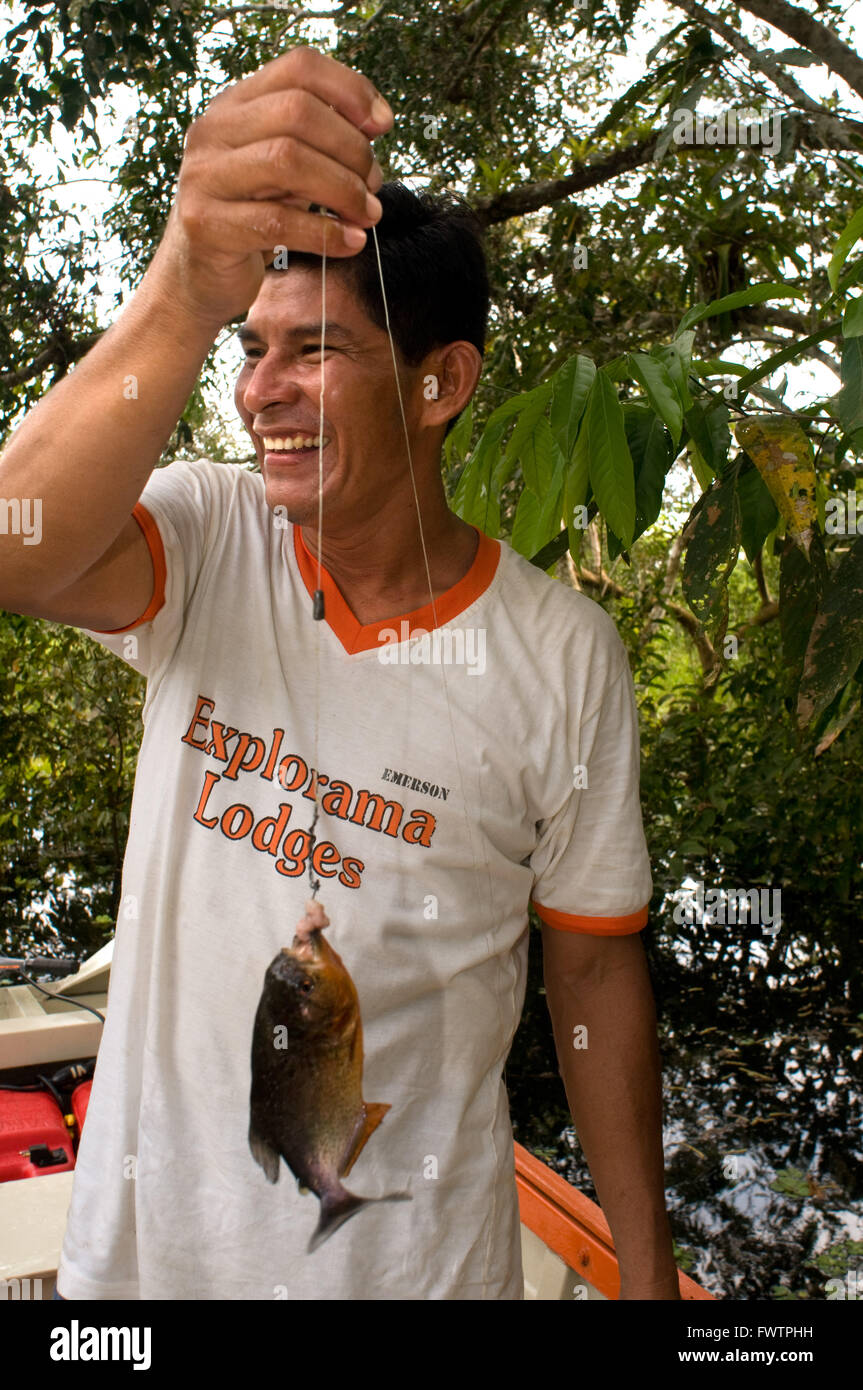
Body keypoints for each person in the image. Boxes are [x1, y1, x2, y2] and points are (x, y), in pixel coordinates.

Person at [0, 46, 680, 1301]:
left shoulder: (559, 657)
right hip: (142, 1280)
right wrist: (184, 286)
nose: (261, 392)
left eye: (312, 350)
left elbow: (591, 977)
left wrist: (644, 1277)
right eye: (246, 351)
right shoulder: (208, 541)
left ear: (443, 383)